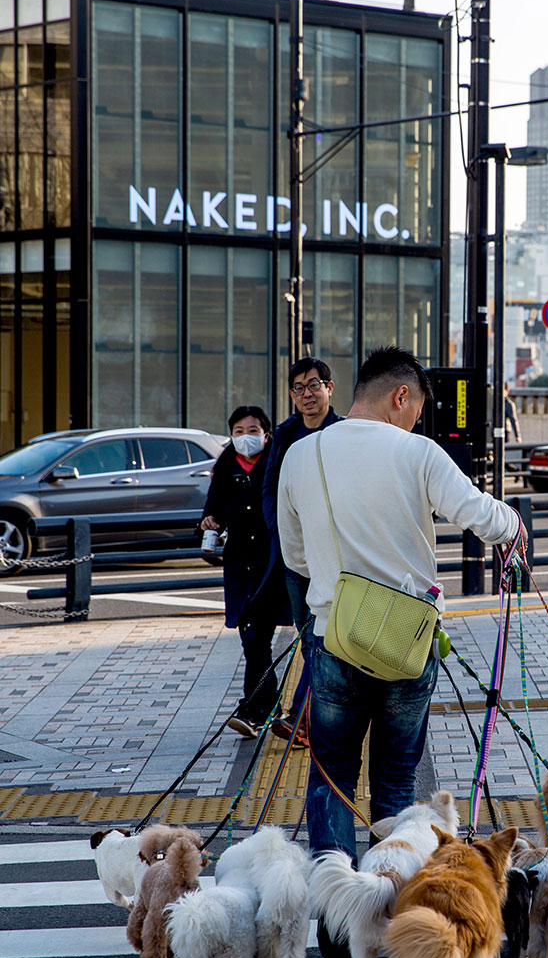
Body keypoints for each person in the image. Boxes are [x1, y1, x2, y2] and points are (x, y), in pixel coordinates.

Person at [277, 345, 521, 862]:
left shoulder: (301, 455)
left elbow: (295, 557)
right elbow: (480, 515)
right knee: (394, 779)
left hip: (335, 640)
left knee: (332, 776)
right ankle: (385, 895)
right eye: (415, 410)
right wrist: (515, 526)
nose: (415, 421)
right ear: (400, 396)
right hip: (407, 646)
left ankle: (335, 913)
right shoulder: (419, 454)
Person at [261, 357, 342, 743]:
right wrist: (280, 530)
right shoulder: (285, 433)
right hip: (294, 557)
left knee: (320, 637)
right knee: (309, 636)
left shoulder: (344, 432)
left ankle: (303, 717)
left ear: (330, 388)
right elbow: (270, 489)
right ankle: (313, 717)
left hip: (333, 556)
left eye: (314, 385)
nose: (307, 394)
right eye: (299, 388)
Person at [200, 406, 291, 738]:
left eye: (252, 430)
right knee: (253, 642)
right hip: (239, 566)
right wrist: (210, 520)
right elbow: (213, 506)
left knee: (257, 639)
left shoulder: (276, 462)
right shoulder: (226, 463)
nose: (245, 437)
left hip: (270, 564)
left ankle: (252, 711)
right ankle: (270, 708)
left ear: (266, 434)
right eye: (238, 431)